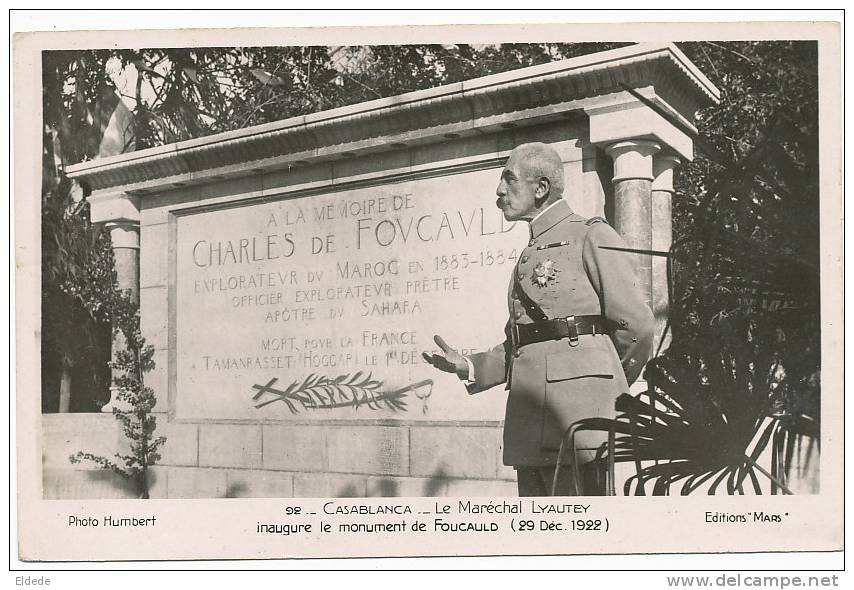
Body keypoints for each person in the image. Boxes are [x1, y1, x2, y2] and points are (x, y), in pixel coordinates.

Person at [423, 142, 654, 496]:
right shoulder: (531, 251)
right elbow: (526, 340)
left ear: (541, 188)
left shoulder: (590, 235)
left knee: (579, 539)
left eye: (509, 180)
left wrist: (601, 381)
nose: (499, 190)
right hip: (530, 428)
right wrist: (470, 365)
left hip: (579, 426)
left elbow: (636, 326)